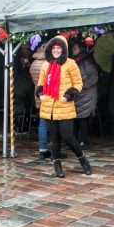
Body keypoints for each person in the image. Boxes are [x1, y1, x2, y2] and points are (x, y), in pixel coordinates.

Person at [36, 35, 92, 178]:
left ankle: (83, 161)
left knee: (68, 137)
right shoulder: (45, 65)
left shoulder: (71, 63)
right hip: (49, 107)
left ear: (63, 49)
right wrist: (40, 94)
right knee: (54, 139)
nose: (55, 51)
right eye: (53, 48)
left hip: (64, 106)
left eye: (58, 48)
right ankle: (57, 167)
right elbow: (40, 84)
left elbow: (78, 84)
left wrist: (68, 96)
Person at [71, 40, 98, 149]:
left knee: (82, 119)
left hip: (86, 94)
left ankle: (82, 141)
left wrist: (81, 85)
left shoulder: (86, 62)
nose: (73, 49)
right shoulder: (74, 62)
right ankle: (75, 141)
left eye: (75, 48)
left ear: (81, 49)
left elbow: (94, 77)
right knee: (75, 119)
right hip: (77, 94)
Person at [29, 43, 50, 158]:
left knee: (42, 123)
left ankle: (42, 148)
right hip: (48, 95)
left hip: (38, 94)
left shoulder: (33, 63)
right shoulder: (47, 64)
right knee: (49, 123)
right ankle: (51, 147)